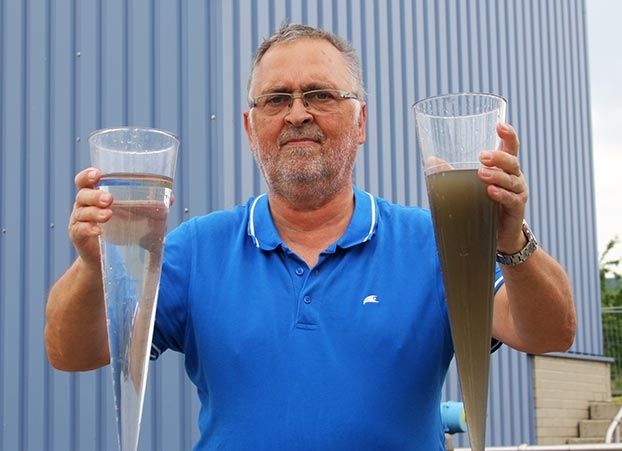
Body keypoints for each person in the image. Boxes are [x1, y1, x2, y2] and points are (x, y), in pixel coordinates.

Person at [45, 23, 576, 450]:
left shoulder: (433, 242)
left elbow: (550, 332)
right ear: (251, 129)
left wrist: (511, 239)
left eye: (319, 94)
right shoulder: (195, 249)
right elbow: (71, 352)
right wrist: (94, 267)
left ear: (361, 120)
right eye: (276, 99)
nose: (298, 114)